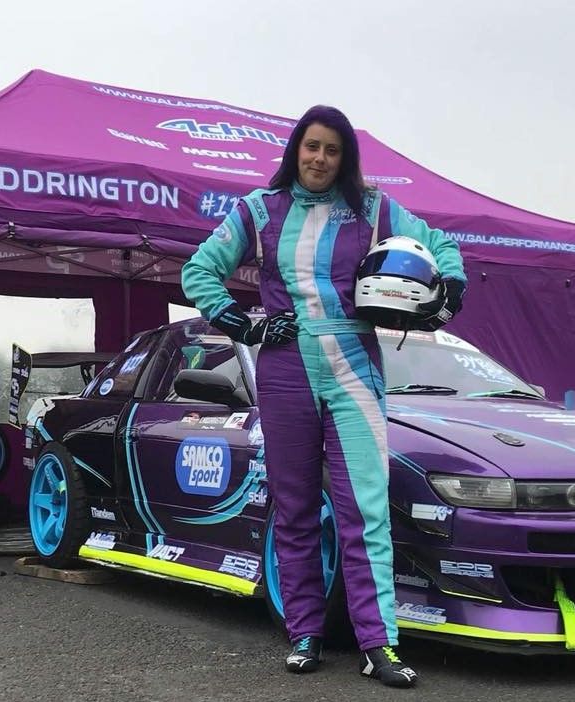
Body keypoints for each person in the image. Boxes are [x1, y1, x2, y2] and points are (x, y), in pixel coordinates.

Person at [181, 105, 465, 688]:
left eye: (332, 150)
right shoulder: (259, 210)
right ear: (296, 150)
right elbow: (199, 271)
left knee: (365, 507)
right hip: (285, 368)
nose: (320, 159)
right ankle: (305, 630)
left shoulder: (375, 207)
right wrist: (246, 324)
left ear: (345, 159)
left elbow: (437, 243)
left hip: (356, 367)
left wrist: (448, 293)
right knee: (293, 506)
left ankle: (378, 643)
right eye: (312, 147)